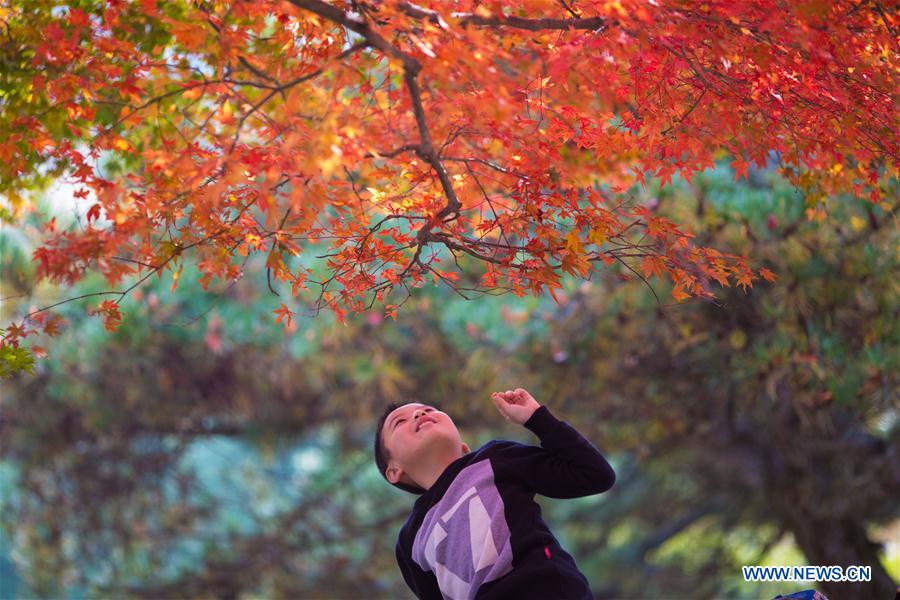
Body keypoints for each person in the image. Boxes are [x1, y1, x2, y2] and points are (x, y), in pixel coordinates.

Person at [373, 387, 616, 599]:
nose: (419, 414)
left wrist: (537, 418)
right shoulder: (410, 541)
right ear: (394, 471)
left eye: (428, 409)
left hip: (545, 588)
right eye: (400, 422)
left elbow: (594, 475)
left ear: (463, 448)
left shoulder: (495, 459)